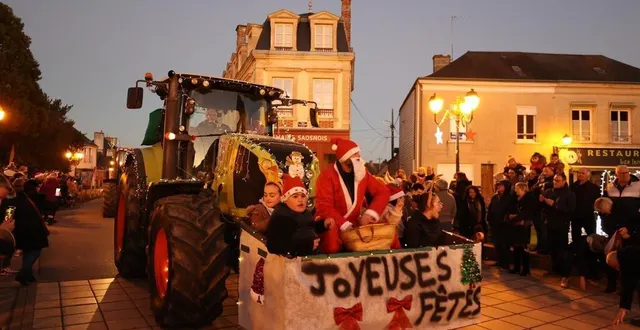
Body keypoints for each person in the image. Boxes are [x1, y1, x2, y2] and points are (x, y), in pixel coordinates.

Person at [314, 138, 390, 254]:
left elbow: (382, 192)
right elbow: (324, 207)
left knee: (382, 230)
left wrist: (370, 214)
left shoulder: (362, 173)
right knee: (331, 240)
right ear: (345, 157)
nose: (359, 156)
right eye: (355, 153)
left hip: (354, 223)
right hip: (333, 222)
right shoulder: (326, 177)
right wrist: (343, 224)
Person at [266, 174, 328, 257]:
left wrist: (323, 225)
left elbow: (309, 228)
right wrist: (307, 246)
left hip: (309, 257)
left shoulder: (304, 213)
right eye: (295, 196)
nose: (300, 200)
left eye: (303, 196)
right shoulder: (281, 217)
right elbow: (274, 246)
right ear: (285, 200)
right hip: (292, 263)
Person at [4, 178, 49, 285]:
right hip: (29, 230)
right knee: (34, 251)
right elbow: (8, 217)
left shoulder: (16, 198)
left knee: (30, 251)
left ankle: (27, 275)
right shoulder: (21, 198)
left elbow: (8, 216)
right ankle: (23, 274)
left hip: (24, 229)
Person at [540, 173, 576, 288]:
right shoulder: (549, 191)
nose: (555, 182)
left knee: (562, 249)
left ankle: (564, 274)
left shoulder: (569, 194)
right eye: (554, 180)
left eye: (558, 180)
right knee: (552, 248)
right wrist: (542, 201)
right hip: (549, 223)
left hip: (562, 225)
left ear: (564, 181)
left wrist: (555, 204)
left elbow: (570, 209)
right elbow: (543, 207)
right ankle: (555, 269)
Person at [507, 182, 536, 276]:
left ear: (523, 189)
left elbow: (528, 212)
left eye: (518, 189)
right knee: (516, 247)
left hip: (524, 225)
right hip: (516, 225)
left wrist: (517, 218)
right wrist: (513, 217)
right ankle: (516, 266)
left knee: (524, 247)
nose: (516, 191)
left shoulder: (529, 199)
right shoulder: (515, 199)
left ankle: (525, 268)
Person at [404, 182, 444, 248]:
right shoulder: (414, 225)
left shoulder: (436, 222)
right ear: (428, 205)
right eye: (438, 203)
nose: (441, 206)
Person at [570, 168, 601, 244]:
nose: (580, 174)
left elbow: (597, 201)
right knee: (575, 237)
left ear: (588, 175)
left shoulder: (594, 188)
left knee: (592, 237)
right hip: (575, 216)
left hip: (588, 216)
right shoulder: (572, 186)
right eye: (579, 173)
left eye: (583, 173)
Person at [487, 180, 513, 270]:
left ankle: (506, 262)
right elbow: (491, 208)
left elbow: (510, 210)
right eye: (498, 185)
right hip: (495, 223)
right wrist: (489, 218)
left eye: (501, 185)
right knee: (497, 243)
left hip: (504, 224)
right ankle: (499, 260)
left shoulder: (509, 197)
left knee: (504, 243)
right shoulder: (495, 196)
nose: (499, 187)